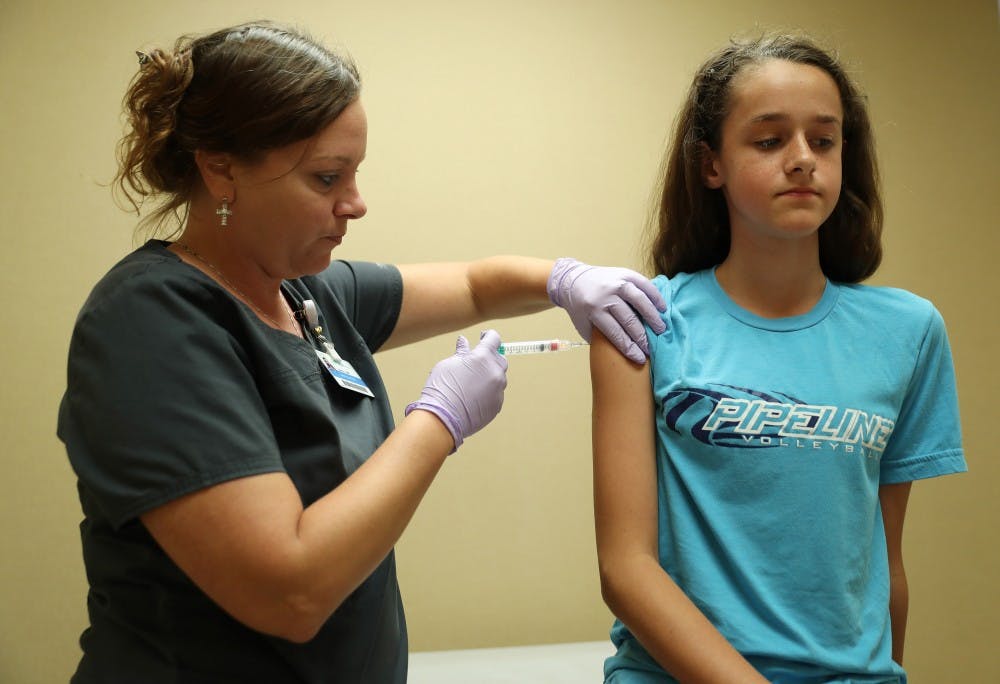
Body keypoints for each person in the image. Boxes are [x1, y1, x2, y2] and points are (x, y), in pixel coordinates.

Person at [57, 21, 668, 684]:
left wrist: (563, 278)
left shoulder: (304, 295)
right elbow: (289, 590)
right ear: (220, 169)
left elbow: (471, 284)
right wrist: (439, 420)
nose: (356, 203)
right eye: (326, 178)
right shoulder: (152, 322)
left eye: (355, 172)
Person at [590, 33, 966, 683]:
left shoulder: (909, 331)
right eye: (769, 141)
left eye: (823, 140)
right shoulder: (642, 317)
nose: (802, 160)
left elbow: (884, 562)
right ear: (711, 165)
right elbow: (626, 569)